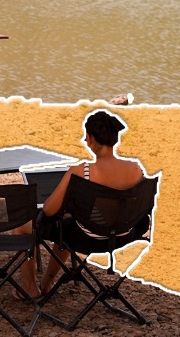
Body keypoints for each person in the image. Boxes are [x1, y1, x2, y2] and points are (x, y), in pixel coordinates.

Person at [19, 108, 146, 299]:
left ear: (91, 139)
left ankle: (29, 287)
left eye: (86, 137)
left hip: (87, 238)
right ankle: (47, 282)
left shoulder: (81, 171)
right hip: (124, 235)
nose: (86, 141)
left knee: (23, 226)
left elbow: (48, 209)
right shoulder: (136, 169)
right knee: (67, 227)